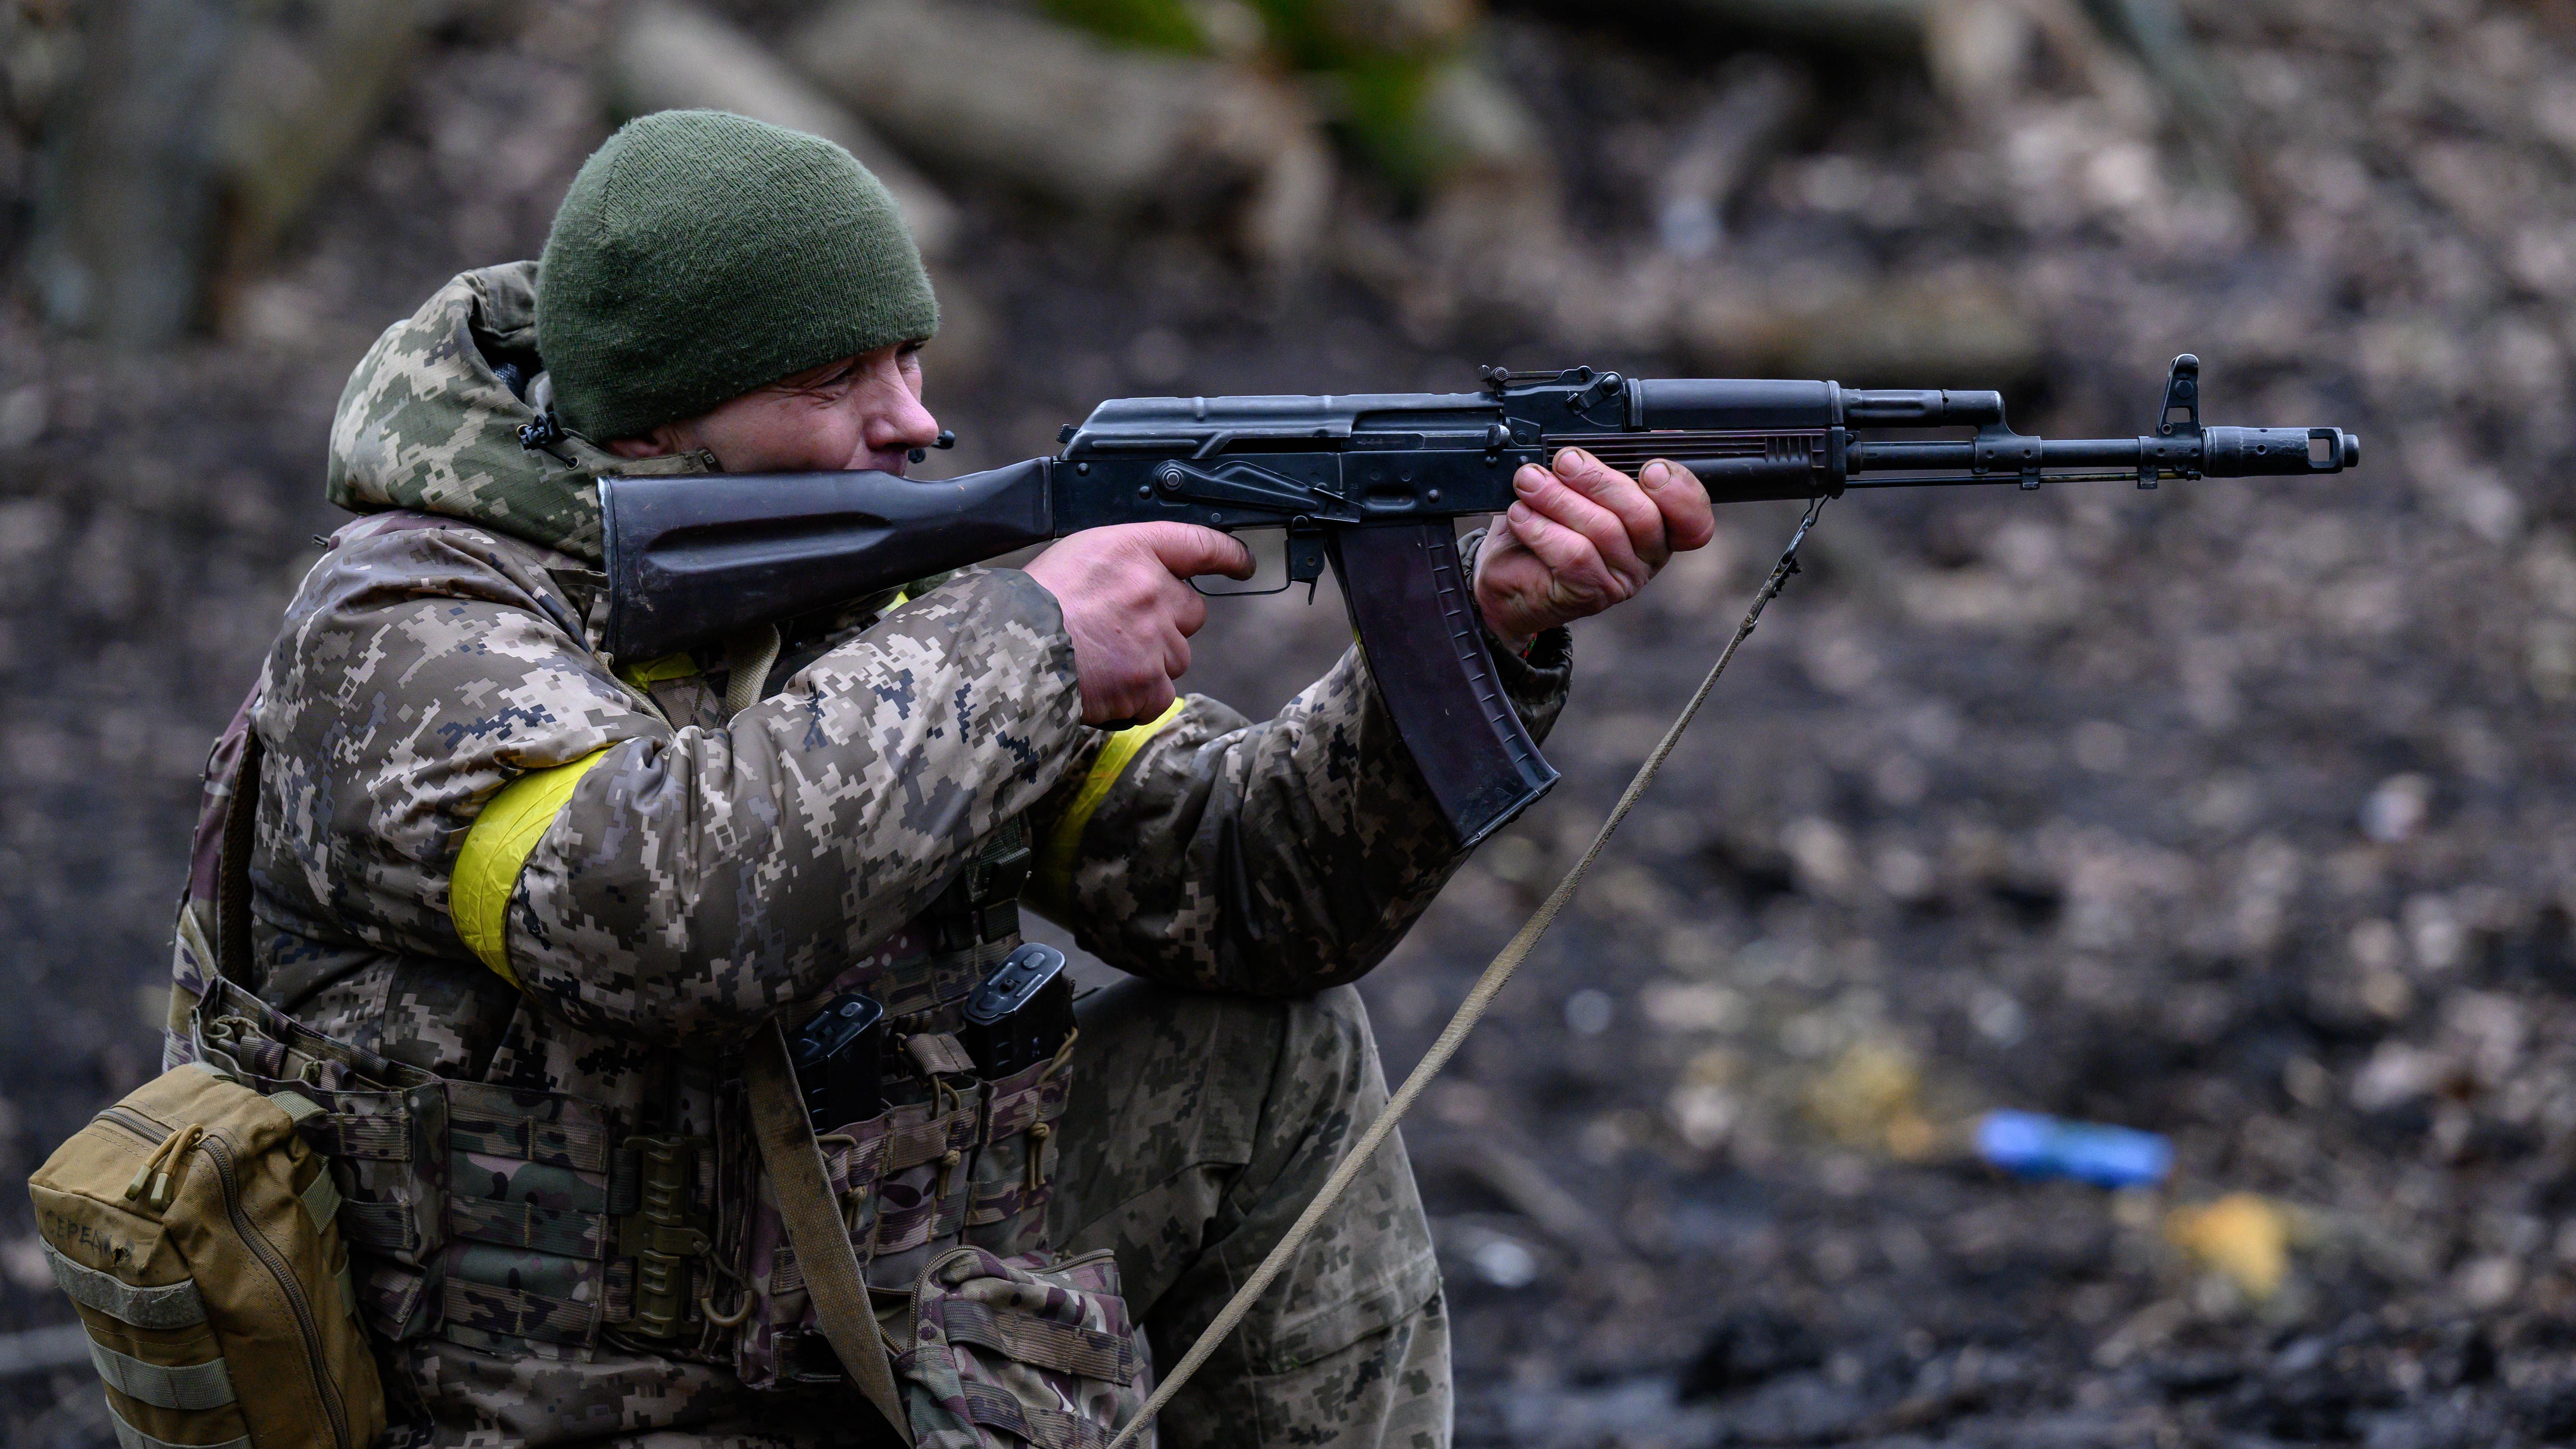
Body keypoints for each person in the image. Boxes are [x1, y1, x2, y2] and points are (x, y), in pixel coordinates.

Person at [186, 109, 1712, 1448]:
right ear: (661, 416)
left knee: (1275, 1054)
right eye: (839, 377)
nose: (912, 420)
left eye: (909, 357)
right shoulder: (406, 631)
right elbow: (650, 912)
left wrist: (1485, 622)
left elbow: (1246, 886)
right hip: (560, 1394)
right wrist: (1035, 645)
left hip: (866, 1323)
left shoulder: (876, 599)